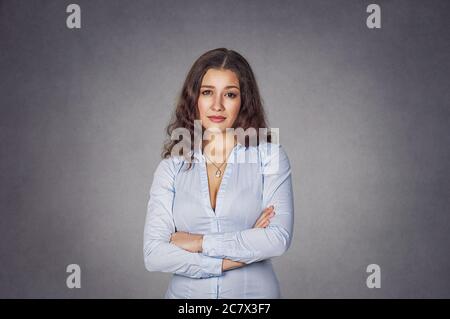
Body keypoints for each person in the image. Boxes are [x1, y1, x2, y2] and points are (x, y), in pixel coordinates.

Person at [143, 48, 294, 298]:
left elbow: (277, 239)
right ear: (194, 98)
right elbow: (154, 256)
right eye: (207, 92)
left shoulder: (270, 156)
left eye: (230, 94)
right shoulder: (171, 167)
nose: (217, 105)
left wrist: (198, 242)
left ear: (244, 101)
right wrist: (234, 257)